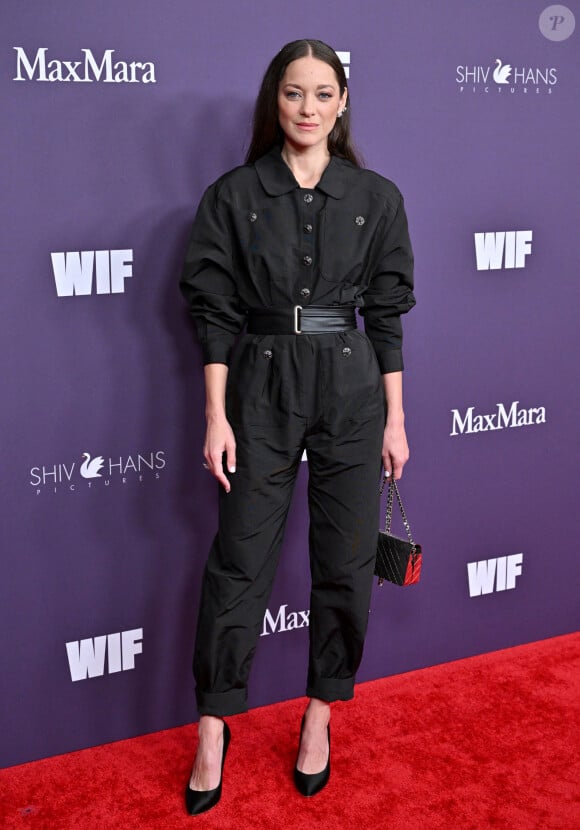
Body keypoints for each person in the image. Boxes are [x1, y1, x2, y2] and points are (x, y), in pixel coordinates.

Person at [179, 38, 416, 815]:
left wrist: (396, 421)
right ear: (273, 103)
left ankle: (320, 713)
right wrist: (216, 415)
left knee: (346, 563)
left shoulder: (376, 197)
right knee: (239, 561)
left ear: (343, 103)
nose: (307, 108)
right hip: (260, 387)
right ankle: (215, 724)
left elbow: (385, 317)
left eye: (322, 93)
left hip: (351, 387)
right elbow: (212, 312)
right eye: (292, 94)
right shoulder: (234, 194)